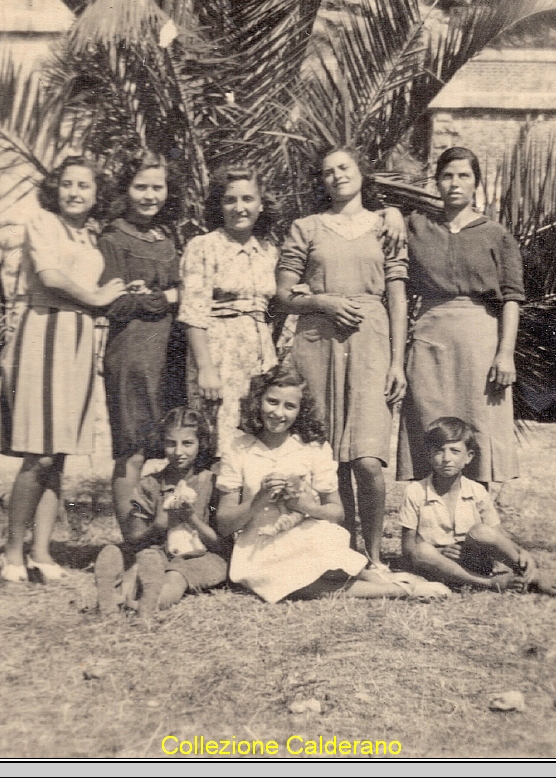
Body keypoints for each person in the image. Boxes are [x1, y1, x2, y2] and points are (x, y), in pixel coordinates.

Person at [275, 146, 407, 572]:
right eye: (327, 172)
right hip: (317, 341)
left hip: (371, 342)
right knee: (330, 455)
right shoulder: (306, 227)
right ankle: (342, 549)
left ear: (362, 173)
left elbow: (399, 298)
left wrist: (397, 363)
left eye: (344, 167)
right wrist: (324, 302)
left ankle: (373, 555)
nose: (336, 176)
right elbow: (283, 294)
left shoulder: (386, 226)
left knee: (367, 459)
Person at [0, 156, 128, 583]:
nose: (75, 192)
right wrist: (97, 297)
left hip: (78, 338)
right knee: (39, 452)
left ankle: (41, 551)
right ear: (56, 190)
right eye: (67, 184)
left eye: (84, 186)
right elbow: (51, 277)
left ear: (96, 193)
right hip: (44, 334)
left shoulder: (90, 236)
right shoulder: (43, 223)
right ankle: (12, 552)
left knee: (59, 456)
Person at [216, 365, 439, 603]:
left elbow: (336, 512)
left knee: (322, 565)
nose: (278, 413)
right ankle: (396, 589)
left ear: (301, 410)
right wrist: (259, 498)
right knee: (288, 582)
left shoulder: (312, 447)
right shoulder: (238, 447)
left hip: (304, 532)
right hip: (259, 541)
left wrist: (305, 506)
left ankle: (383, 580)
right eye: (272, 402)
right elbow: (224, 523)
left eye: (289, 406)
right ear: (258, 400)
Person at [398, 146, 523, 497]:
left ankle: (476, 530)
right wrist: (393, 217)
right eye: (447, 176)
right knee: (428, 423)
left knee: (477, 426)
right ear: (437, 182)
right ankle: (427, 524)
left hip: (480, 340)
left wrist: (506, 353)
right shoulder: (416, 227)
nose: (455, 183)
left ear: (476, 183)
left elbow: (512, 297)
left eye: (464, 176)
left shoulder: (496, 235)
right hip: (430, 337)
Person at [99, 150, 184, 525]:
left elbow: (188, 291)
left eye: (158, 187)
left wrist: (145, 296)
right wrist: (164, 297)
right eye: (141, 187)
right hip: (132, 352)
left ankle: (166, 533)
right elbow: (114, 305)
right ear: (125, 189)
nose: (150, 195)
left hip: (170, 351)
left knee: (173, 445)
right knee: (132, 449)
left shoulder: (168, 237)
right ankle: (133, 540)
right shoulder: (113, 237)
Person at [400, 417, 556, 595]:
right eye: (439, 451)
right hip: (437, 564)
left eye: (455, 451)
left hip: (475, 559)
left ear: (468, 457)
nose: (447, 458)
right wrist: (440, 550)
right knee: (423, 550)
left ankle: (531, 575)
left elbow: (496, 535)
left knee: (481, 531)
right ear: (429, 455)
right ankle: (490, 583)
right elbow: (409, 547)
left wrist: (520, 551)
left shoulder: (477, 491)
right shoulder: (415, 491)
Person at [179, 165, 279, 445]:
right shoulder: (203, 246)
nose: (239, 207)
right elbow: (193, 314)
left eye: (248, 199)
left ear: (261, 204)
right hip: (219, 358)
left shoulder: (269, 251)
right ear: (219, 205)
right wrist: (205, 369)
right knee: (217, 443)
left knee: (255, 443)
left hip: (261, 361)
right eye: (230, 200)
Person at [95, 407, 228, 616]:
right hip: (157, 554)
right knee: (140, 567)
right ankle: (110, 597)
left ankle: (149, 603)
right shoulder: (150, 484)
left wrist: (191, 518)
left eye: (187, 443)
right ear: (161, 443)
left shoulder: (212, 484)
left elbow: (220, 545)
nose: (178, 452)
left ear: (201, 444)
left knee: (176, 576)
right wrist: (158, 525)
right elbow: (136, 540)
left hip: (202, 557)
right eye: (170, 443)